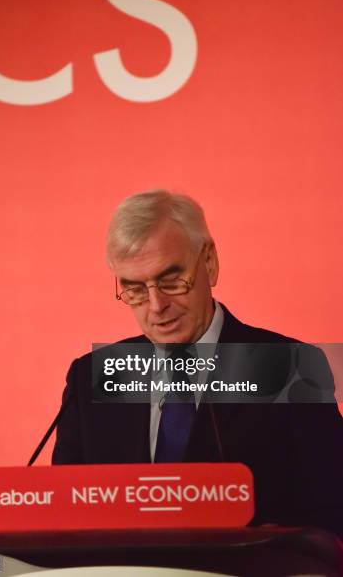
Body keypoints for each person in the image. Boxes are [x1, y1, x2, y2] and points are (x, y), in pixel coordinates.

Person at [52, 189, 343, 536]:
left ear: (209, 262)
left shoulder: (291, 368)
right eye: (135, 290)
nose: (156, 305)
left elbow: (333, 515)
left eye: (171, 280)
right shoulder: (92, 378)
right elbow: (65, 522)